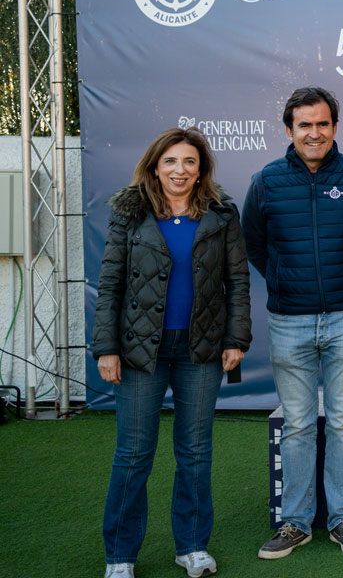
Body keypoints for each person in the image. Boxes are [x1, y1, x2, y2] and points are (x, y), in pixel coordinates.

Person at [243, 87, 343, 560]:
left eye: (323, 124)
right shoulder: (266, 181)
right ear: (289, 129)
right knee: (298, 424)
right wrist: (289, 280)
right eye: (304, 125)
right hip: (289, 320)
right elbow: (254, 245)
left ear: (334, 127)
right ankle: (296, 523)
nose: (314, 133)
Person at [94, 127, 251, 578]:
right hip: (140, 350)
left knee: (196, 451)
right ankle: (120, 556)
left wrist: (236, 339)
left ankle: (193, 547)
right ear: (154, 166)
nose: (179, 171)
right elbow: (110, 286)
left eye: (189, 162)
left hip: (200, 348)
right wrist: (107, 348)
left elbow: (237, 283)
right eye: (170, 162)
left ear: (201, 169)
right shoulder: (130, 214)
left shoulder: (221, 214)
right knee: (134, 452)